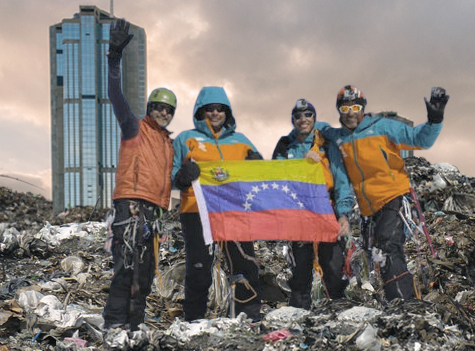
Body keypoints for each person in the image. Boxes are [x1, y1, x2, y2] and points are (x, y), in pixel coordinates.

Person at [319, 85, 448, 301]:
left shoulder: (382, 127)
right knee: (380, 252)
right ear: (339, 111)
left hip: (393, 196)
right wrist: (342, 213)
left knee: (387, 247)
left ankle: (403, 302)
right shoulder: (339, 140)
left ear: (363, 108)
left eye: (356, 106)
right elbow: (341, 182)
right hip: (369, 210)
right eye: (345, 108)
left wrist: (435, 119)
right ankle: (399, 300)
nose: (351, 112)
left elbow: (419, 139)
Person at [102, 18, 177, 331]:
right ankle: (115, 326)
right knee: (126, 268)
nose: (162, 112)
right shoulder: (134, 127)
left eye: (168, 109)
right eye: (157, 107)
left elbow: (167, 179)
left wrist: (184, 177)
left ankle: (133, 328)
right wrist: (114, 57)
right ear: (149, 108)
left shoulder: (168, 144)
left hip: (155, 213)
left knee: (144, 272)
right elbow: (115, 95)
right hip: (131, 207)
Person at [172, 86, 263, 321]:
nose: (215, 114)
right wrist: (181, 177)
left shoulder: (241, 142)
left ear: (227, 113)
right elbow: (170, 175)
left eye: (220, 109)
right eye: (210, 109)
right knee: (200, 269)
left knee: (244, 266)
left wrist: (258, 164)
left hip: (235, 212)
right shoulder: (186, 139)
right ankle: (194, 320)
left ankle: (247, 318)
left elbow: (260, 177)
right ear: (201, 111)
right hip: (197, 212)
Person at [272, 99, 355, 310]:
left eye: (308, 115)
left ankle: (338, 312)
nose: (303, 119)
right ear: (293, 120)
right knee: (300, 270)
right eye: (298, 116)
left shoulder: (326, 144)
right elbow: (276, 179)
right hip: (297, 214)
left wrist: (343, 214)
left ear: (314, 118)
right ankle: (300, 317)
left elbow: (341, 180)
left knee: (333, 268)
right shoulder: (284, 146)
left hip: (326, 211)